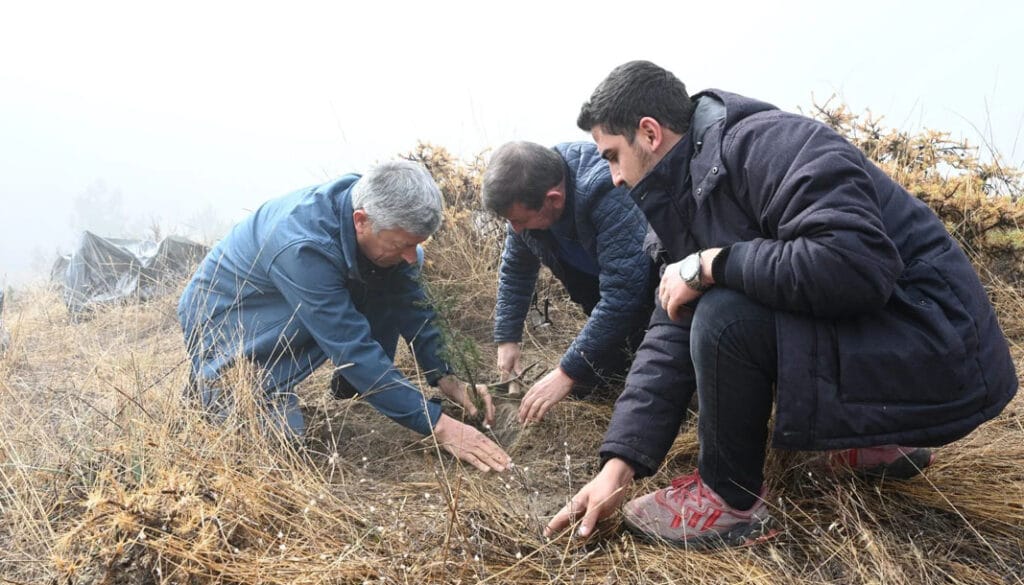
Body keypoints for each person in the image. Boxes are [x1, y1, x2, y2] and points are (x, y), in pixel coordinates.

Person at [546, 60, 1018, 548]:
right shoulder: (679, 201)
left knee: (723, 315)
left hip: (938, 342)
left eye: (611, 156)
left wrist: (714, 264)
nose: (613, 177)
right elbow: (669, 329)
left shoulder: (768, 144)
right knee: (709, 305)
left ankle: (729, 499)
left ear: (648, 133)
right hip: (895, 339)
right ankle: (871, 442)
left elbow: (854, 264)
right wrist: (618, 466)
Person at [178, 160, 510, 472]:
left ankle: (354, 392)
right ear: (361, 221)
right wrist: (438, 426)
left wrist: (449, 378)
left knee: (392, 271)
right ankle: (212, 389)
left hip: (295, 299)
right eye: (401, 244)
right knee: (277, 447)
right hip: (229, 315)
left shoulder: (378, 220)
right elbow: (351, 347)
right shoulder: (303, 247)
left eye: (416, 244)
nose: (411, 256)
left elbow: (415, 309)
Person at [482, 141, 656, 424]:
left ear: (554, 199)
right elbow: (516, 269)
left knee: (649, 382)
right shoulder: (527, 200)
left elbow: (624, 294)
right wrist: (507, 337)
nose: (514, 229)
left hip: (654, 287)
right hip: (598, 286)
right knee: (600, 380)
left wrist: (567, 372)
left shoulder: (605, 192)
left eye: (519, 220)